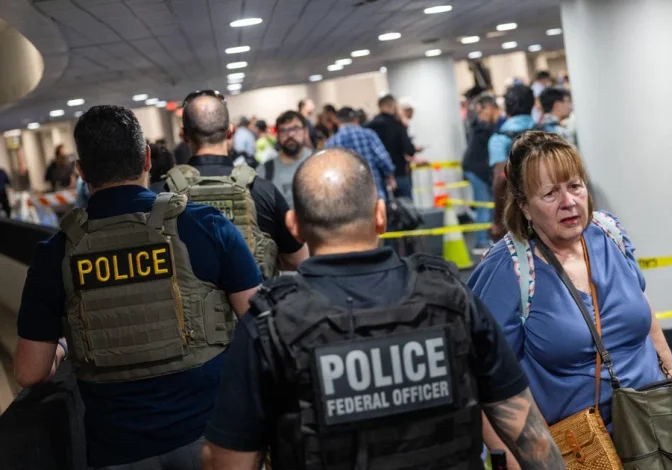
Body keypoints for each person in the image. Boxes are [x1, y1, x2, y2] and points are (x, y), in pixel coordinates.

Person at [201, 147, 565, 470]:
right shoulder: (452, 296)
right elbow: (527, 432)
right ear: (380, 215)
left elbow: (229, 461)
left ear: (294, 226)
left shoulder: (268, 324)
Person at [13, 105, 262, 470]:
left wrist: (66, 346)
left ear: (81, 172)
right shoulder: (207, 226)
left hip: (117, 449)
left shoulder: (57, 254)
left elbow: (29, 373)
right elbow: (260, 325)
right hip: (213, 440)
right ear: (146, 157)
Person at [468, 132, 672, 469]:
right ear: (523, 206)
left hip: (656, 434)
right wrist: (515, 460)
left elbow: (646, 317)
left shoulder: (609, 233)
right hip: (577, 452)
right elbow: (483, 380)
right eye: (550, 193)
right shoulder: (509, 270)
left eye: (575, 186)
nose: (569, 202)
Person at [163, 90, 309, 279]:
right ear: (230, 131)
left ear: (183, 135)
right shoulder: (263, 190)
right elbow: (298, 259)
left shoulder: (162, 194)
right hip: (256, 307)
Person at [488, 84, 537, 242]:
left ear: (506, 108)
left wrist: (497, 221)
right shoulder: (548, 131)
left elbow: (501, 178)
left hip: (517, 213)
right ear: (532, 104)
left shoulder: (499, 139)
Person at [324, 106, 396, 201]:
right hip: (374, 192)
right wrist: (390, 176)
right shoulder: (369, 135)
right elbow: (383, 158)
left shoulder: (331, 143)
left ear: (337, 121)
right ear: (356, 119)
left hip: (346, 199)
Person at [463, 94, 503, 254]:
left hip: (475, 169)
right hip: (477, 170)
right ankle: (481, 241)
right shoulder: (485, 127)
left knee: (486, 206)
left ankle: (483, 239)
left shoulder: (478, 126)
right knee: (484, 206)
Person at [366, 95, 417, 199]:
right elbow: (409, 150)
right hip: (399, 172)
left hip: (378, 177)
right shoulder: (397, 125)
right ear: (392, 105)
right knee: (407, 209)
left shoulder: (369, 126)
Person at [263, 111, 313, 207]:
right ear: (277, 135)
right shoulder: (265, 171)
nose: (290, 135)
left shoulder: (320, 162)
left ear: (305, 131)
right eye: (283, 130)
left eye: (295, 128)